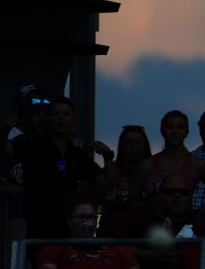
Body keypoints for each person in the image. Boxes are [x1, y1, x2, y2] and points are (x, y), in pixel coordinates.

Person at [9, 97, 115, 238]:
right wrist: (6, 128)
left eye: (65, 114)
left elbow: (107, 184)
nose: (61, 118)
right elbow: (1, 149)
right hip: (37, 224)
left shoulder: (77, 155)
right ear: (49, 119)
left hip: (67, 227)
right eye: (56, 114)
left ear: (73, 121)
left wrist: (108, 157)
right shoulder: (32, 146)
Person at [137, 110, 205, 221]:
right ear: (162, 131)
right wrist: (149, 212)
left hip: (183, 230)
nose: (175, 132)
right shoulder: (147, 165)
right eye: (170, 127)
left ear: (186, 132)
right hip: (152, 230)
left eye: (180, 127)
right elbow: (132, 200)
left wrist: (198, 213)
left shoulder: (196, 165)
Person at [36, 200, 139, 269]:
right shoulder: (54, 248)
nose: (88, 222)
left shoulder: (116, 247)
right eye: (82, 217)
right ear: (70, 222)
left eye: (92, 217)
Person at [99, 125, 153, 237]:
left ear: (145, 145)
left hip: (145, 235)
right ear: (121, 146)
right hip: (112, 234)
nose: (134, 146)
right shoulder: (111, 170)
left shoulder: (155, 171)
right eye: (128, 142)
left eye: (138, 142)